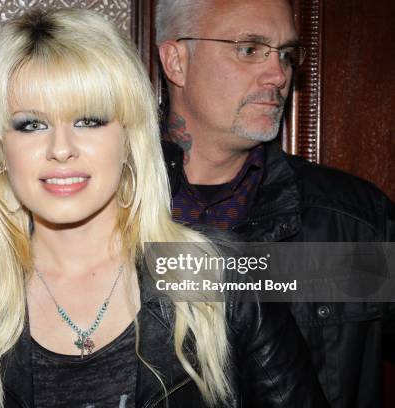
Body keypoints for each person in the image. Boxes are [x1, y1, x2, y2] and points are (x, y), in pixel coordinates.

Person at [0, 8, 327, 407]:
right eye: (31, 123)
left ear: (130, 137)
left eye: (89, 120)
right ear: (1, 148)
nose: (60, 148)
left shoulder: (223, 281)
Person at [155, 0, 395, 407]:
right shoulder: (99, 213)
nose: (279, 73)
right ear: (177, 61)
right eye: (249, 49)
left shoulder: (354, 221)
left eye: (286, 54)